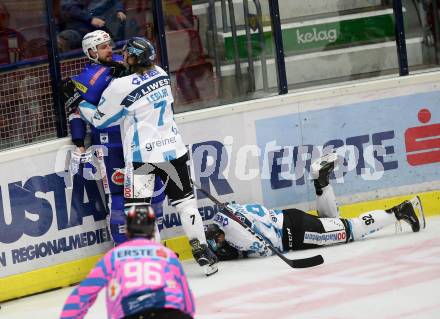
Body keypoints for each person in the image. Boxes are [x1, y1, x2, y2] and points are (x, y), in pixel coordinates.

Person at [77, 36, 218, 276]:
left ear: (131, 57)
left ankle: (154, 263)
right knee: (186, 204)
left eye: (126, 53)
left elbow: (100, 119)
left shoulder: (119, 86)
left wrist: (80, 102)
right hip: (174, 151)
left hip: (143, 158)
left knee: (139, 211)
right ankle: (204, 253)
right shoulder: (162, 73)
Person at [204, 152, 427, 260]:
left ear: (220, 236)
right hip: (291, 219)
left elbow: (263, 249)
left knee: (353, 229)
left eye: (218, 243)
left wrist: (244, 252)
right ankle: (321, 181)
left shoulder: (235, 233)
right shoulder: (228, 212)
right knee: (333, 219)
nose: (222, 245)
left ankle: (400, 211)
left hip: (299, 234)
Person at [61, 30, 163, 245]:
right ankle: (123, 247)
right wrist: (79, 142)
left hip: (137, 137)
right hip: (109, 142)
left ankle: (149, 245)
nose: (110, 49)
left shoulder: (123, 61)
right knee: (118, 195)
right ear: (91, 52)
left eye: (110, 44)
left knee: (147, 192)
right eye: (103, 46)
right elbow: (76, 111)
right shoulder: (84, 80)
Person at [60, 204, 195, 319]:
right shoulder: (166, 254)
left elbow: (83, 294)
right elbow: (186, 297)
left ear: (127, 230)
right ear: (152, 230)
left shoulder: (113, 256)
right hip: (170, 313)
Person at [60, 0, 126, 38]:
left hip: (102, 24)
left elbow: (115, 1)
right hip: (79, 27)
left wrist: (119, 10)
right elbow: (71, 8)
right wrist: (90, 19)